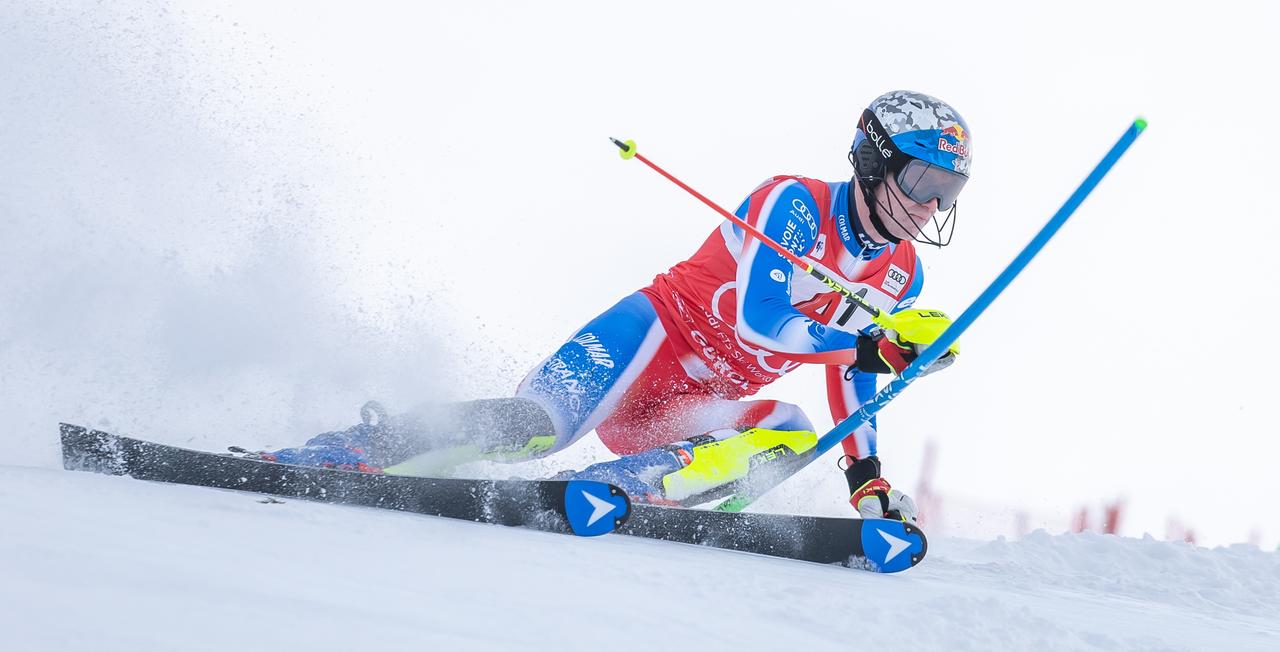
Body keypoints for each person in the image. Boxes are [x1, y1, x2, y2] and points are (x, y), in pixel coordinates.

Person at [266, 90, 972, 522]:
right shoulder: (794, 204)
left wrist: (865, 478)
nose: (932, 204)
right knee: (531, 428)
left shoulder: (902, 277)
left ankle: (613, 489)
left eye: (949, 190)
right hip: (645, 345)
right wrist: (875, 346)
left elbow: (852, 373)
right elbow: (761, 321)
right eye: (921, 179)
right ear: (874, 161)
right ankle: (349, 450)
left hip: (690, 409)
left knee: (790, 430)